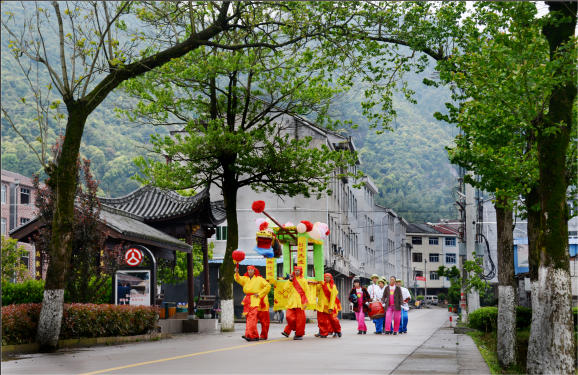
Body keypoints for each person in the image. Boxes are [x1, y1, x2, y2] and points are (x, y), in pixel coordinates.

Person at [234, 265, 271, 342]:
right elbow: (238, 279)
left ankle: (249, 334)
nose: (250, 271)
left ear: (255, 271)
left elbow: (268, 286)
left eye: (252, 270)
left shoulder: (260, 279)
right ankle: (254, 336)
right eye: (249, 270)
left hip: (256, 300)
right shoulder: (245, 278)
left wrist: (260, 294)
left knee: (252, 318)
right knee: (249, 317)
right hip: (248, 300)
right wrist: (236, 273)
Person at [281, 265, 310, 340]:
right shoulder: (291, 279)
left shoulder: (304, 280)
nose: (297, 272)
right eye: (296, 270)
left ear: (301, 272)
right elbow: (285, 288)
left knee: (300, 320)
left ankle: (299, 334)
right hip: (291, 302)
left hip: (300, 303)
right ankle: (298, 330)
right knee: (288, 317)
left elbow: (307, 292)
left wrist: (305, 303)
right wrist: (290, 280)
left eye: (298, 271)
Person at [314, 273, 342, 338]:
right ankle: (323, 333)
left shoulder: (333, 286)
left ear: (330, 278)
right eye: (325, 277)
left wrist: (331, 307)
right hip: (321, 306)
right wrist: (318, 283)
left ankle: (338, 331)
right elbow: (315, 290)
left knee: (334, 320)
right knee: (321, 321)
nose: (327, 279)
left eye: (328, 277)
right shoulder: (321, 284)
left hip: (329, 306)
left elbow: (333, 298)